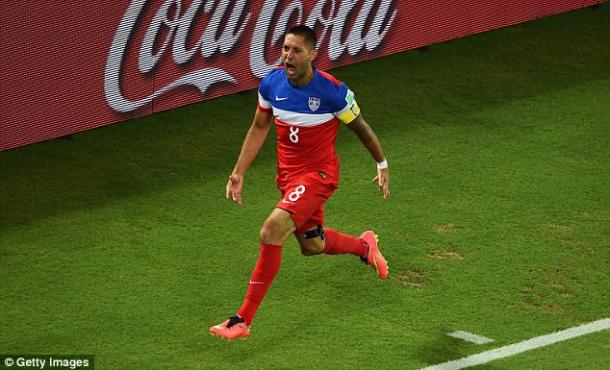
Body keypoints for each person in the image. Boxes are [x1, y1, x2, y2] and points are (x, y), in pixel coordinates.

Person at [210, 25, 390, 340]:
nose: (287, 56)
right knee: (312, 245)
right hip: (289, 179)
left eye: (295, 51)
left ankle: (242, 319)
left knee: (271, 229)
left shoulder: (331, 92)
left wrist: (381, 162)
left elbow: (360, 127)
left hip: (319, 176)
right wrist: (239, 172)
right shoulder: (271, 84)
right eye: (284, 49)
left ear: (312, 55)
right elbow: (258, 127)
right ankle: (364, 246)